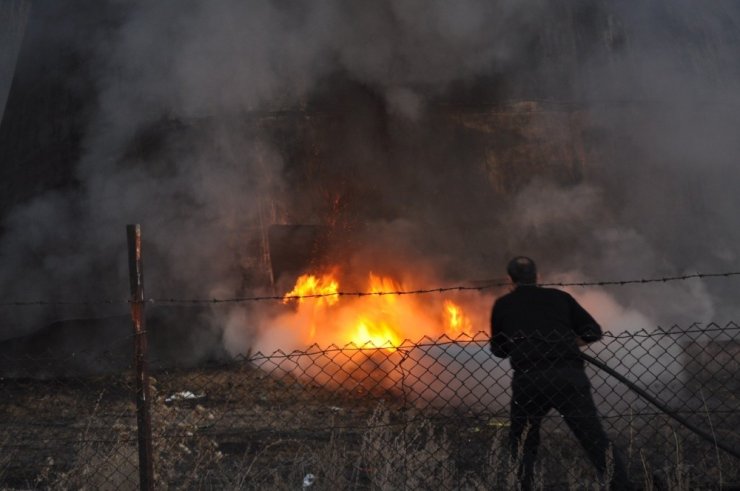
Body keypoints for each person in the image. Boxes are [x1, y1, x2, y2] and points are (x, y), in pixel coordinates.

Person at [490, 256, 631, 490]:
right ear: (537, 276)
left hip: (529, 380)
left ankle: (523, 485)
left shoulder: (503, 305)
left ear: (509, 279)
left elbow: (499, 350)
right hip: (568, 376)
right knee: (594, 438)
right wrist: (565, 343)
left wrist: (523, 344)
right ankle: (622, 486)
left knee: (523, 441)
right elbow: (592, 332)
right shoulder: (560, 298)